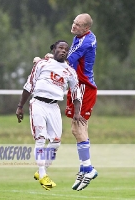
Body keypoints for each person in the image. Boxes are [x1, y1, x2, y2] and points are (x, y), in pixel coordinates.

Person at [35, 13, 98, 191]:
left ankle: (88, 168)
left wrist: (45, 59)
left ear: (86, 28)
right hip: (76, 85)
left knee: (77, 128)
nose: (74, 26)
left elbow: (66, 61)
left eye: (78, 25)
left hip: (83, 86)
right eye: (74, 23)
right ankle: (84, 168)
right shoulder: (81, 37)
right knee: (79, 129)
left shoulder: (85, 42)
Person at [16, 40, 86, 191]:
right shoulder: (42, 64)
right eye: (60, 48)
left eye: (66, 49)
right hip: (38, 104)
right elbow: (29, 85)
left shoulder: (70, 71)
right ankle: (43, 175)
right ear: (53, 49)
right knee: (40, 138)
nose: (63, 51)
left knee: (55, 142)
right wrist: (20, 106)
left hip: (54, 107)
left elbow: (76, 94)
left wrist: (77, 113)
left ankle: (41, 170)